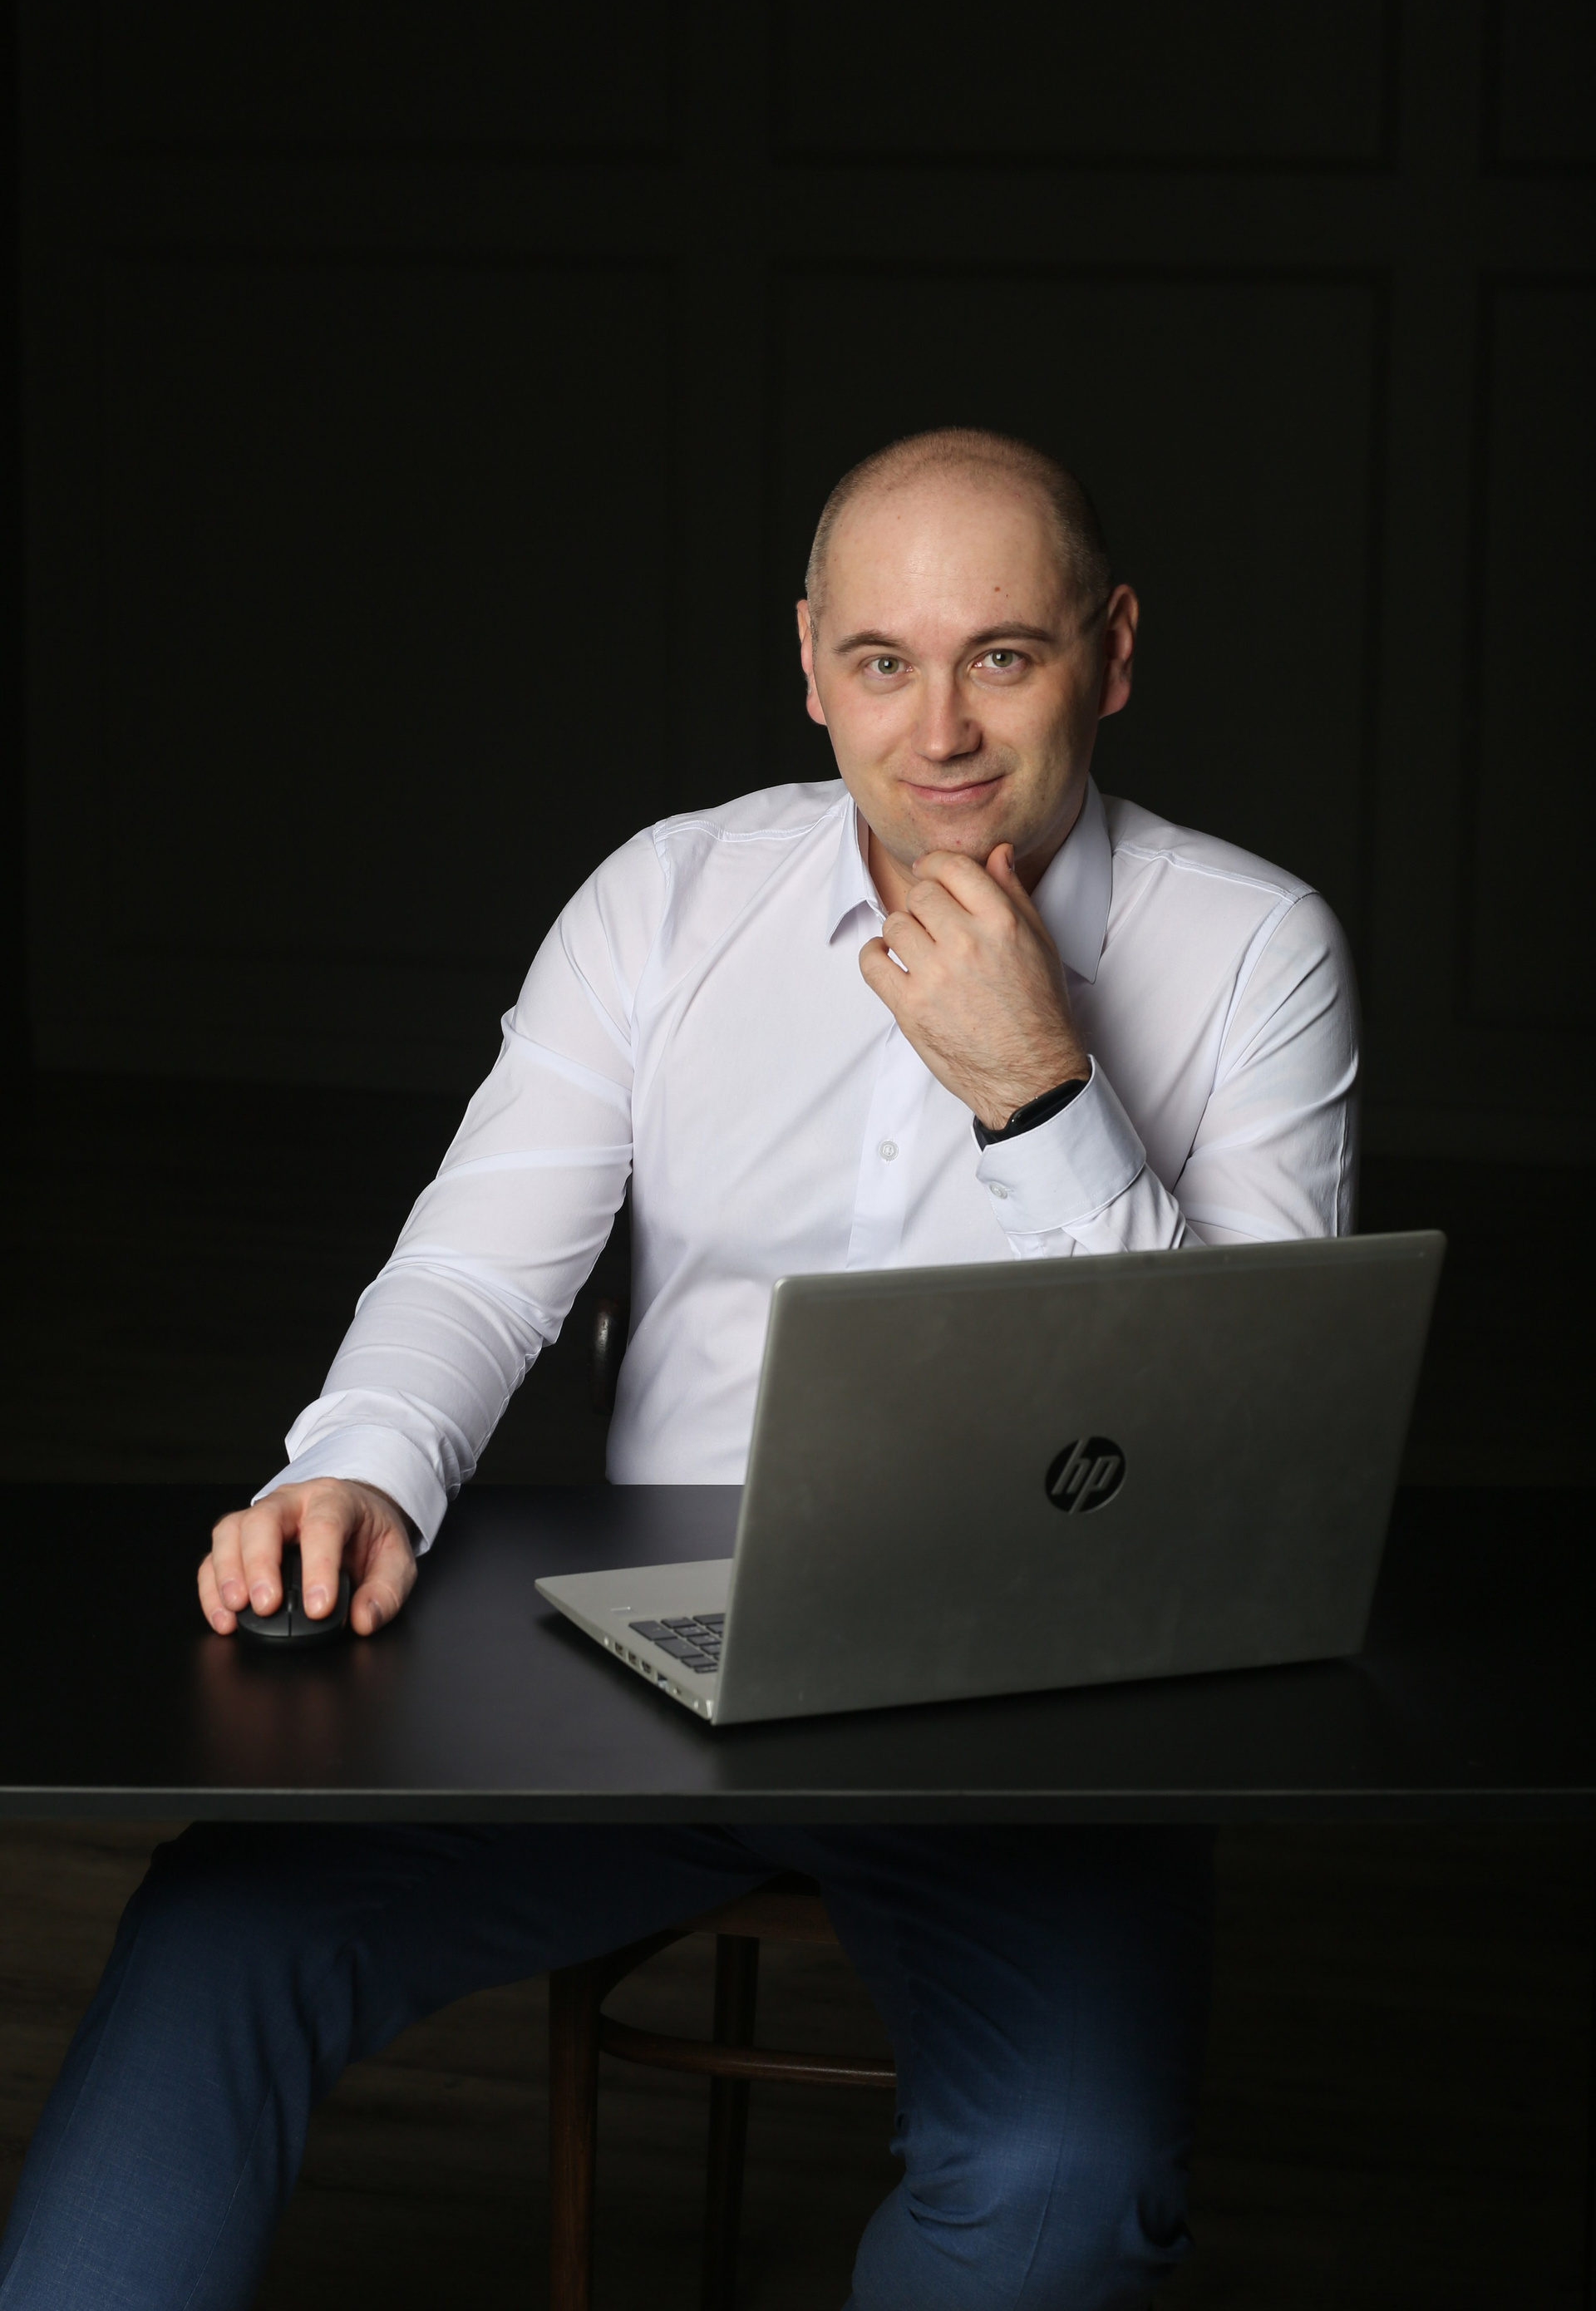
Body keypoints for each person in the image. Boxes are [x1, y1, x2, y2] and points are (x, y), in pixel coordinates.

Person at [0, 429, 1357, 2309]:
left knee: (1064, 2184)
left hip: (1051, 1712)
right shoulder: (666, 898)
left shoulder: (1256, 950)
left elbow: (1253, 1459)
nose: (940, 731)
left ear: (1112, 653)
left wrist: (1042, 1090)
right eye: (882, 661)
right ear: (810, 666)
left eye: (1004, 656)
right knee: (215, 1938)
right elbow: (476, 1265)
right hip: (657, 1671)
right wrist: (360, 1462)